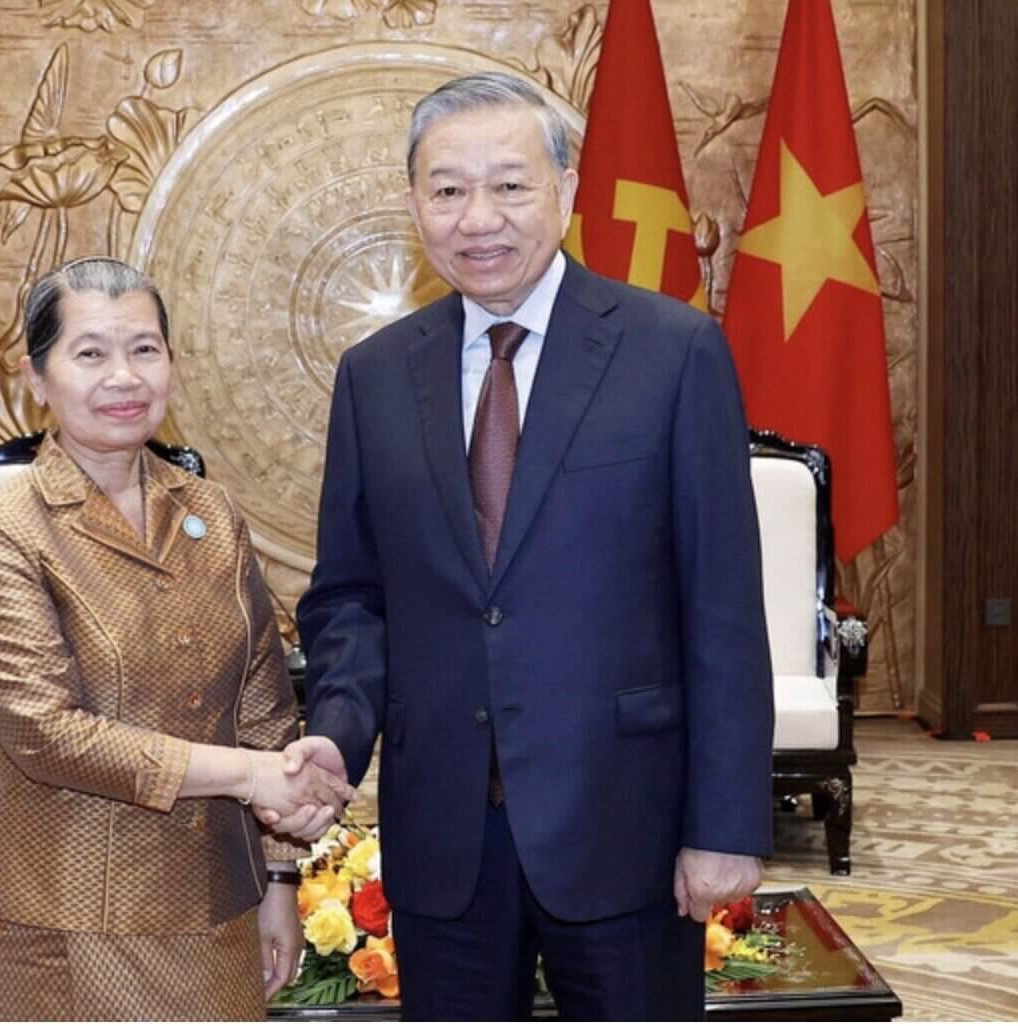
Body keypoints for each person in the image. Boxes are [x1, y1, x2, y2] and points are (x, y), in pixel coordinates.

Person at [279, 73, 775, 1020]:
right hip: (443, 834)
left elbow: (721, 608)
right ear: (415, 201)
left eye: (509, 185)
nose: (479, 218)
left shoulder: (672, 354)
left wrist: (724, 824)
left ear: (565, 189)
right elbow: (352, 597)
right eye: (448, 189)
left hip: (623, 823)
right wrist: (337, 736)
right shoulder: (376, 377)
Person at [0, 256, 354, 1021]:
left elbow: (263, 702)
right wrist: (250, 776)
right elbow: (45, 733)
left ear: (171, 364)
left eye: (144, 349)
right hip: (63, 917)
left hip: (215, 904)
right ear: (37, 378)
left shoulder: (210, 511)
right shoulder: (5, 526)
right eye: (90, 353)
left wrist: (279, 880)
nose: (123, 377)